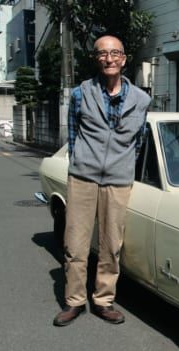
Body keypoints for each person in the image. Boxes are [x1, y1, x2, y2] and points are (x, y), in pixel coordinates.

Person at [53, 35, 151, 326]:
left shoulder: (141, 100)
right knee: (75, 244)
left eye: (115, 53)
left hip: (119, 182)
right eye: (102, 54)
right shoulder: (81, 94)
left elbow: (139, 141)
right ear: (95, 59)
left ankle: (103, 300)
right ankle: (74, 301)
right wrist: (82, 164)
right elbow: (72, 136)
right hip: (83, 178)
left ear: (123, 59)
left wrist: (122, 169)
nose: (109, 58)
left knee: (111, 245)